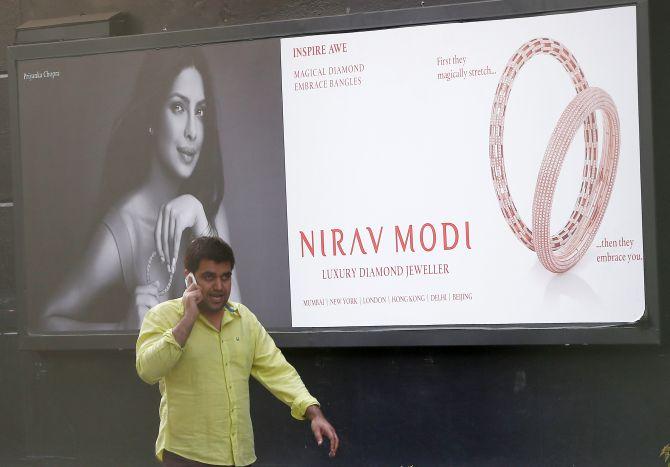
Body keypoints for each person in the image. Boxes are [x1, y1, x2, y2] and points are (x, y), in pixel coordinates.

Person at [42, 48, 239, 331]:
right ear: (151, 119)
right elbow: (47, 321)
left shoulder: (207, 207)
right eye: (178, 107)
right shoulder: (125, 228)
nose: (192, 131)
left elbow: (237, 331)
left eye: (200, 111)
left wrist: (198, 217)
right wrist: (121, 329)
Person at [136, 236, 339, 466]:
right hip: (186, 457)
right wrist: (187, 320)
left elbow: (278, 370)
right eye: (209, 277)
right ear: (189, 278)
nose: (219, 287)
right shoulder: (162, 316)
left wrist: (314, 412)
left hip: (240, 457)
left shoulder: (245, 319)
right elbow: (148, 370)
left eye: (225, 277)